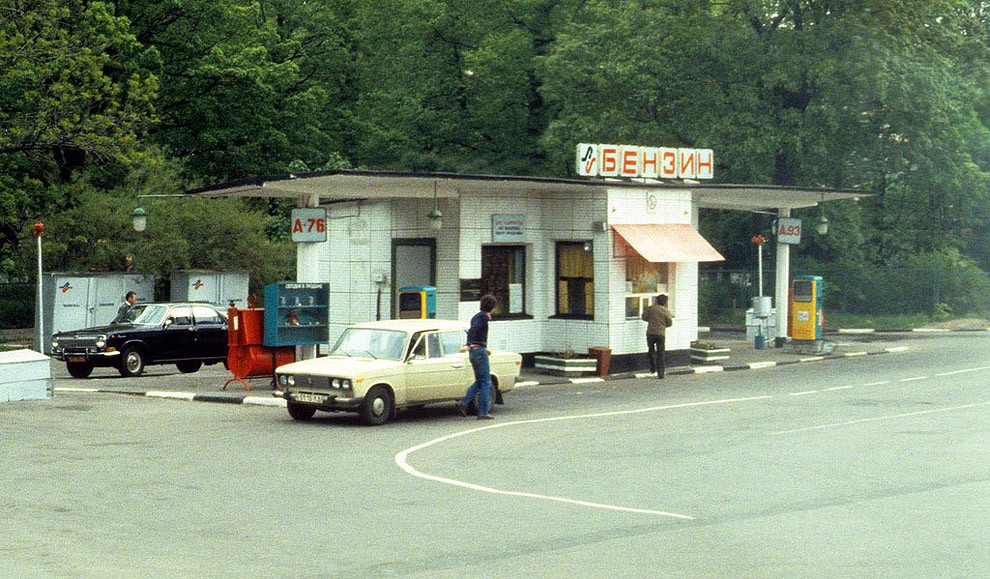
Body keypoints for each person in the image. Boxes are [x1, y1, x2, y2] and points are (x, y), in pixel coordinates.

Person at [457, 294, 497, 420]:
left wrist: (475, 345)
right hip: (479, 351)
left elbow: (474, 331)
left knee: (480, 380)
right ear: (491, 307)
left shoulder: (476, 316)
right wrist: (471, 344)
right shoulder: (483, 317)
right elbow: (474, 330)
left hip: (475, 351)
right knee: (486, 381)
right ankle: (483, 411)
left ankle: (463, 402)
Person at [642, 294, 673, 378]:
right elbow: (669, 323)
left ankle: (652, 367)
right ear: (665, 302)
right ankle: (661, 373)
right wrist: (662, 325)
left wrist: (651, 320)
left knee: (651, 350)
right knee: (660, 353)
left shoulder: (650, 308)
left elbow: (644, 317)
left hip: (650, 333)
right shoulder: (666, 311)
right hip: (661, 334)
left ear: (656, 301)